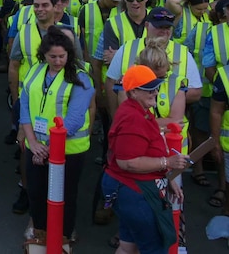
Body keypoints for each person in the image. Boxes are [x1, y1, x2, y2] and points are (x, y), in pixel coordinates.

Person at [102, 65, 190, 254]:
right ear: (133, 91)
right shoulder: (133, 117)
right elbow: (128, 162)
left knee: (128, 246)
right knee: (154, 248)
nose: (156, 92)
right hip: (133, 191)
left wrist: (167, 176)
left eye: (156, 87)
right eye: (149, 89)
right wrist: (168, 163)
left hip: (127, 189)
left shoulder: (139, 110)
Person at [20, 27, 94, 246]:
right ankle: (41, 232)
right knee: (36, 192)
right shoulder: (35, 71)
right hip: (37, 147)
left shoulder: (81, 77)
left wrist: (47, 149)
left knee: (65, 195)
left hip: (69, 150)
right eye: (53, 56)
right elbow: (24, 106)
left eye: (62, 56)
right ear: (44, 54)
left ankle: (64, 234)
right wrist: (33, 143)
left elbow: (73, 119)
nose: (58, 60)